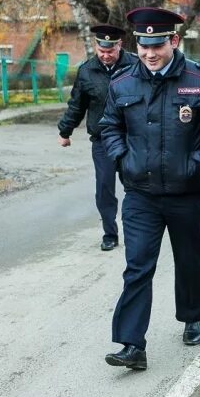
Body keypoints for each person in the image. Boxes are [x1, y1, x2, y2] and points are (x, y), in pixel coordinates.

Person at [99, 6, 200, 369]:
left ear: (173, 41)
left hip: (187, 192)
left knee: (190, 260)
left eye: (157, 45)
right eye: (143, 46)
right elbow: (108, 126)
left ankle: (193, 316)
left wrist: (199, 164)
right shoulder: (122, 84)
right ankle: (132, 344)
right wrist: (122, 159)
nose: (149, 53)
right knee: (137, 266)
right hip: (141, 194)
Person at [57, 24, 136, 251]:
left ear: (119, 45)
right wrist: (65, 131)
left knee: (135, 185)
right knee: (104, 188)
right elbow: (77, 105)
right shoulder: (87, 71)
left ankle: (136, 231)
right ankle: (110, 233)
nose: (105, 55)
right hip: (102, 140)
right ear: (96, 47)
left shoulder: (135, 66)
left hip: (132, 138)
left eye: (110, 50)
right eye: (102, 50)